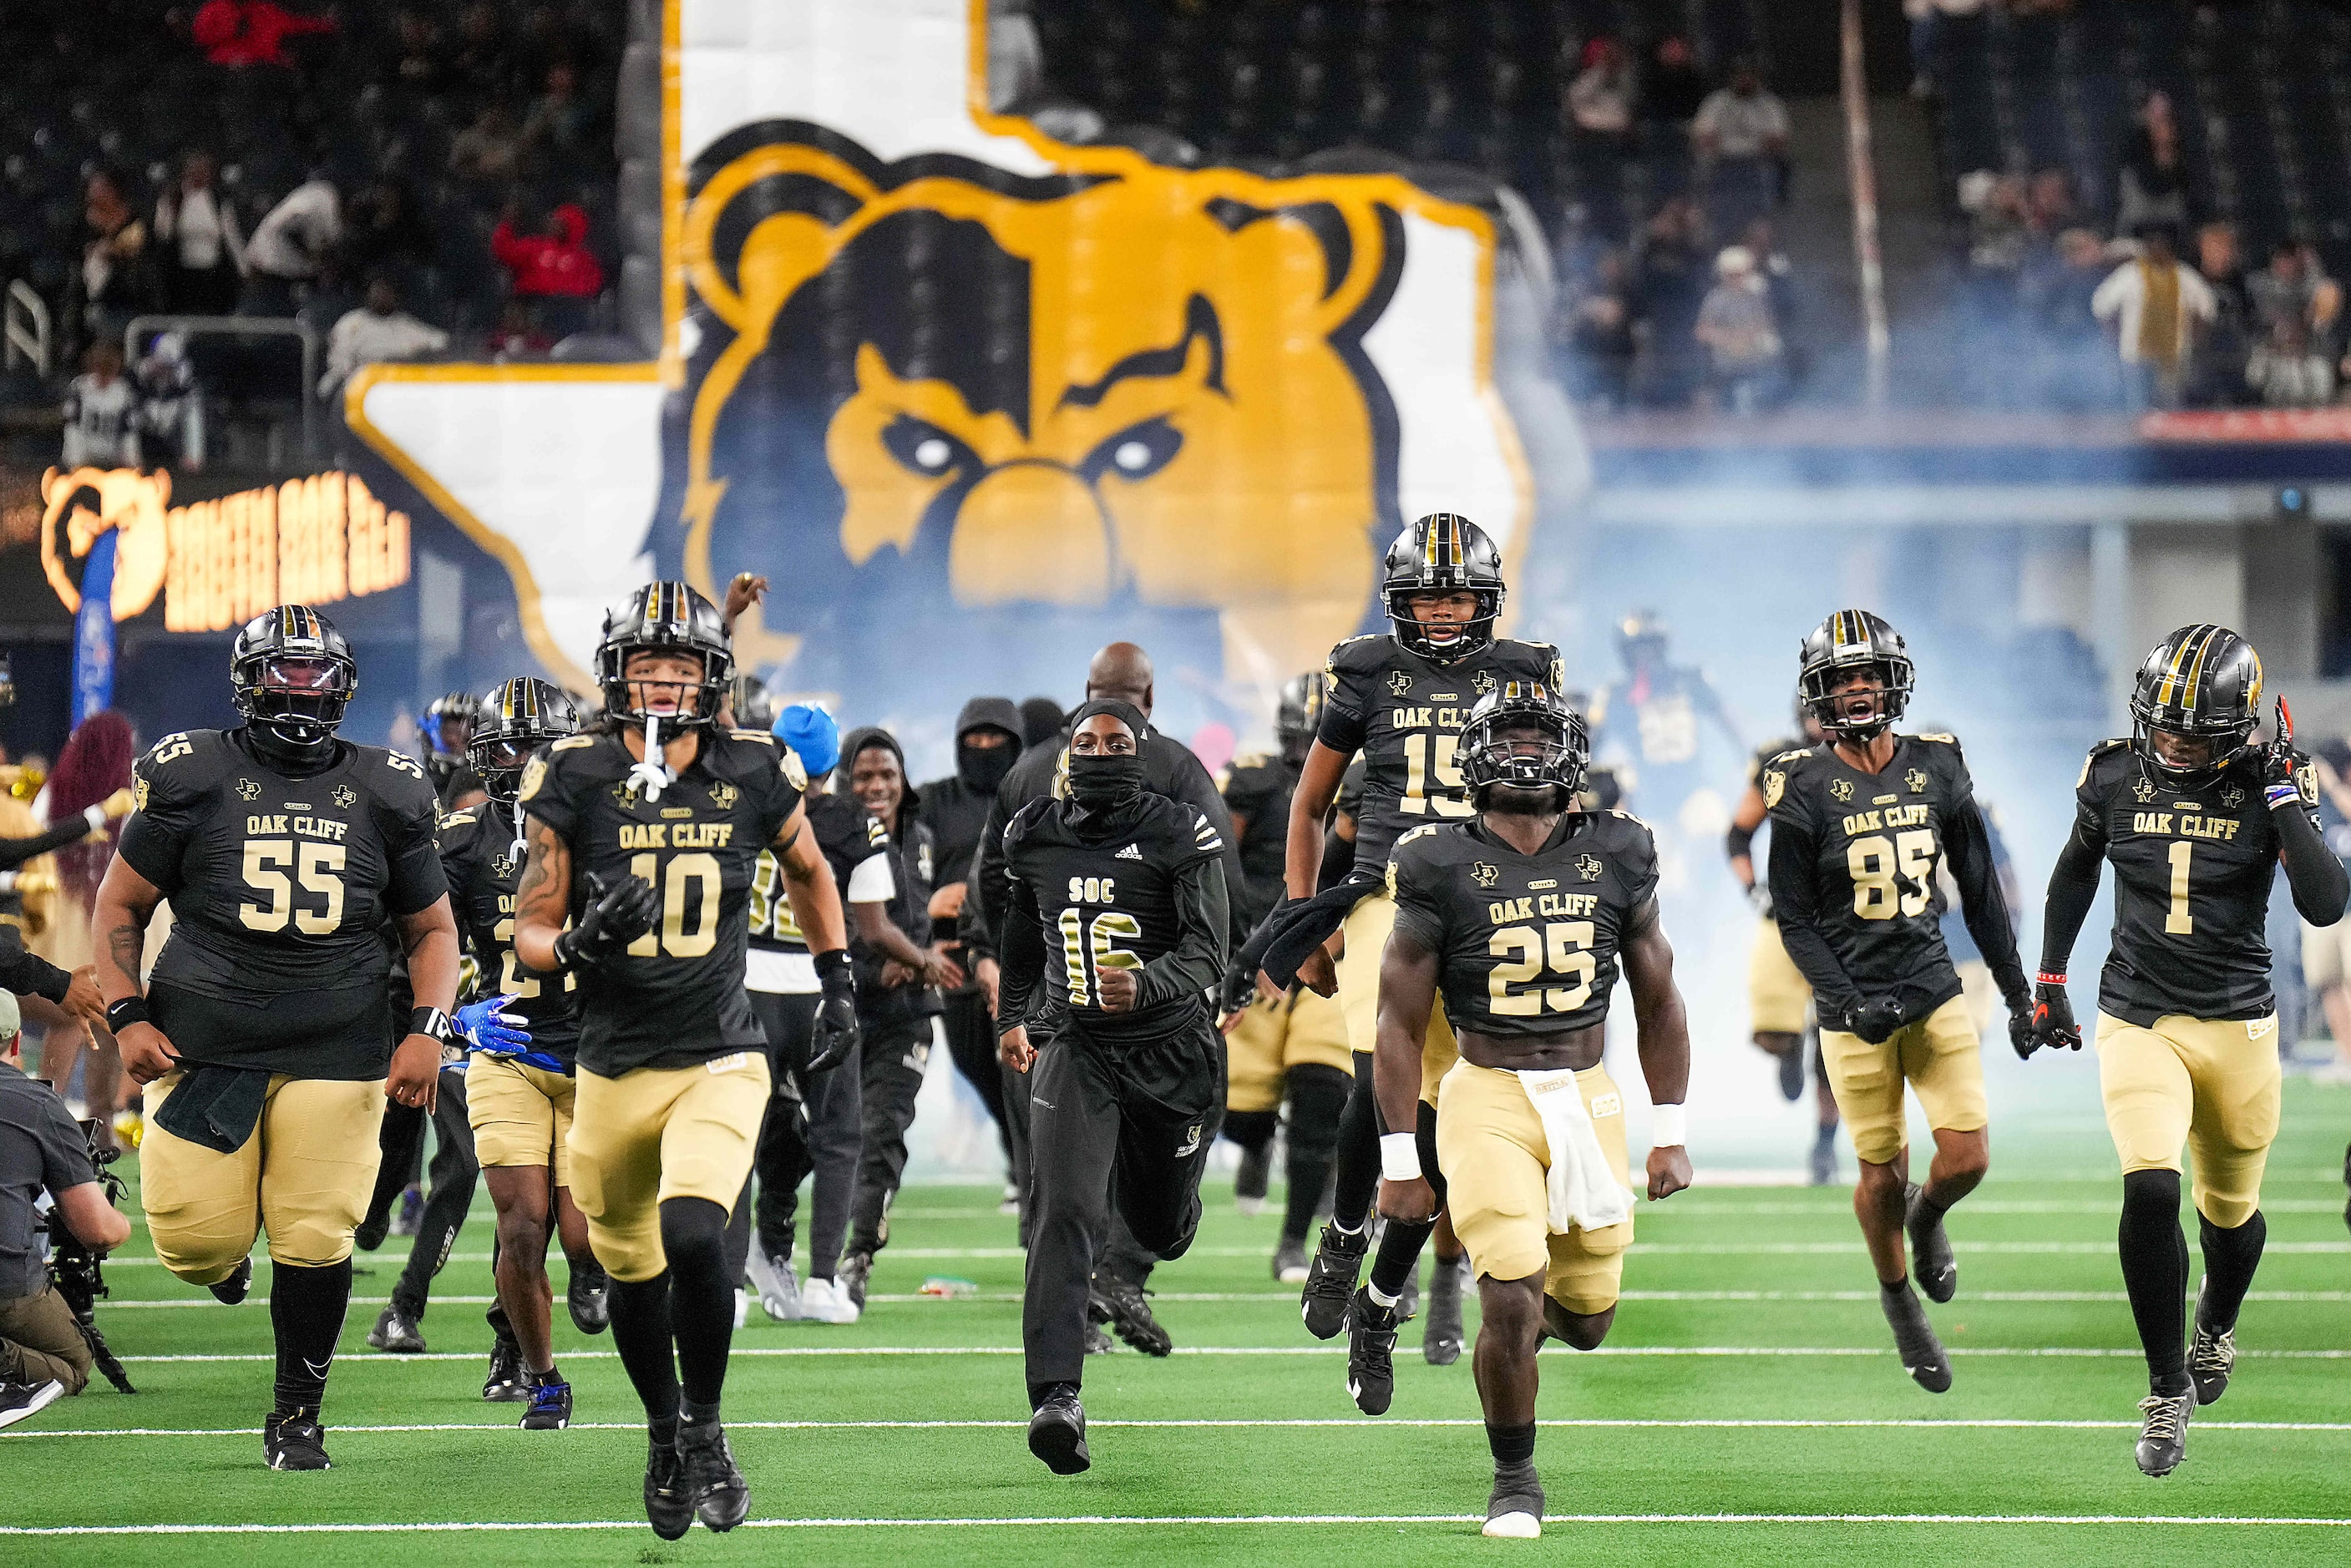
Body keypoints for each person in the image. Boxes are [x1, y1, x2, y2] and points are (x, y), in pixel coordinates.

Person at [512, 581, 855, 1538]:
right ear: (617, 676)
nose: (662, 689)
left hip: (719, 1054)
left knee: (700, 1237)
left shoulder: (750, 768)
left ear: (713, 679)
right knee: (631, 1273)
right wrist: (575, 948)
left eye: (681, 671)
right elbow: (530, 928)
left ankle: (705, 1428)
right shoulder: (572, 775)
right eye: (646, 671)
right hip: (612, 1064)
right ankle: (663, 1434)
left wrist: (838, 979)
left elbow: (810, 870)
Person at [92, 604, 460, 1470]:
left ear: (343, 686)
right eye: (282, 671)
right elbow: (120, 907)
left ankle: (297, 1412)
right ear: (246, 680)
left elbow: (434, 931)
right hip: (204, 1044)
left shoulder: (390, 787)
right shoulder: (192, 772)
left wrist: (427, 1030)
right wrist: (125, 1011)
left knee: (317, 1233)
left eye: (315, 673)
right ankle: (227, 1260)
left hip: (339, 1044)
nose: (299, 688)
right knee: (192, 1244)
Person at [1375, 682, 1692, 1535]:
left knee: (1585, 1322)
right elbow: (1398, 1023)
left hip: (1588, 1096)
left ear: (1571, 752)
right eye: (1506, 737)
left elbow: (1658, 998)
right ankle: (1514, 1478)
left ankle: (1501, 1353)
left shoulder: (1620, 850)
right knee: (1511, 1295)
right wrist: (1402, 1160)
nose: (1522, 751)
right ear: (1475, 756)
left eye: (1535, 735)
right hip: (1485, 1095)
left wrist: (1670, 1132)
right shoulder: (1437, 860)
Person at [2029, 626, 2347, 1477]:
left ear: (2236, 727)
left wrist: (2282, 799)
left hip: (2238, 1024)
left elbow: (2324, 904)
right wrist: (2050, 976)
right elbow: (2074, 870)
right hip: (2140, 1015)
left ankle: (2214, 1325)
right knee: (2148, 1184)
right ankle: (2166, 1388)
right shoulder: (2110, 773)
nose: (2168, 742)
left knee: (2228, 1218)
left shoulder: (2271, 779)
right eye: (2159, 725)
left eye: (2188, 730)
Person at [1277, 512, 1563, 1411]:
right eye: (1427, 597)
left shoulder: (1524, 670)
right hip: (1385, 894)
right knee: (1378, 1072)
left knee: (1444, 1116)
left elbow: (1552, 798)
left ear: (1485, 599)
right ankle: (1344, 1229)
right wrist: (1305, 922)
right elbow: (1310, 803)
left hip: (1482, 904)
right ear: (1401, 602)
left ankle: (1380, 1301)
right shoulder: (1364, 669)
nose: (1441, 613)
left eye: (1455, 596)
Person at [1764, 610, 2032, 1394]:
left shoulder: (1939, 764)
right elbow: (1795, 917)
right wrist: (1846, 1001)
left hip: (1930, 982)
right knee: (1880, 1174)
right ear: (1818, 691)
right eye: (1841, 678)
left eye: (1867, 675)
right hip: (1854, 1009)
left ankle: (1927, 1219)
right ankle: (1899, 1304)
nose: (1855, 689)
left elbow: (1979, 891)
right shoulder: (1800, 782)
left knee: (1966, 1158)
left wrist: (2018, 995)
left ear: (1893, 681)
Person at [965, 642, 1243, 1351]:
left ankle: (1095, 1282)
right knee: (1068, 1182)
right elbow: (1224, 892)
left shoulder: (1032, 769)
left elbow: (988, 883)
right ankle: (1084, 1310)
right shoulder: (1177, 765)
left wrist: (990, 960)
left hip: (1106, 1006)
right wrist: (1230, 973)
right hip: (1087, 1023)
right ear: (1150, 699)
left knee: (1071, 1185)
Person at [997, 698, 1230, 1474]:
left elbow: (1208, 952)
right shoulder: (1032, 833)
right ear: (1067, 752)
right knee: (1060, 1208)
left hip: (1168, 1050)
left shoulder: (1177, 829)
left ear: (1140, 750)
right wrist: (1013, 1018)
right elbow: (1022, 937)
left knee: (1160, 1227)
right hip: (1079, 1047)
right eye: (1087, 741)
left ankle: (1168, 1216)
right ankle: (1056, 1395)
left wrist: (1150, 981)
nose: (1101, 752)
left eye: (1117, 741)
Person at [426, 677, 605, 1430]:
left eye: (540, 747)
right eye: (509, 747)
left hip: (599, 1055)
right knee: (522, 1225)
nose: (525, 761)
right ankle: (544, 1377)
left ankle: (593, 1273)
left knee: (580, 1234)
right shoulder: (462, 842)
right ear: (483, 756)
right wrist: (452, 1019)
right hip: (507, 1053)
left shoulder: (613, 828)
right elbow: (414, 940)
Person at [737, 704, 877, 1326]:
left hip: (743, 986)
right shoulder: (851, 821)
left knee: (732, 1135)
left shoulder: (742, 801)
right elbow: (873, 916)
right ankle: (822, 1279)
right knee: (838, 1135)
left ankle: (728, 1285)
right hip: (820, 986)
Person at [1216, 673, 1353, 1285]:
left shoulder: (1366, 785)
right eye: (1302, 744)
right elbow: (1214, 859)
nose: (1309, 757)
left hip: (1330, 954)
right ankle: (1259, 1143)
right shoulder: (1254, 780)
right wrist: (1233, 952)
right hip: (1258, 949)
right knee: (1234, 1108)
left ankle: (1294, 1241)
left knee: (1322, 1091)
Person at [834, 726, 960, 1311]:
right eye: (863, 776)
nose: (877, 786)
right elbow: (818, 928)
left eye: (887, 774)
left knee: (881, 1132)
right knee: (804, 1137)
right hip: (834, 1009)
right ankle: (773, 1251)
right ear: (844, 781)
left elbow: (913, 923)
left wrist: (926, 955)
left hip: (906, 1015)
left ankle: (856, 1257)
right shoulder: (823, 838)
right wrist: (875, 969)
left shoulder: (921, 836)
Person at [914, 697, 1026, 1212]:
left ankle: (1030, 1175)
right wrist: (930, 902)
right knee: (973, 1063)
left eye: (995, 742)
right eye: (973, 742)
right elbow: (899, 869)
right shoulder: (933, 801)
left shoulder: (1035, 797)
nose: (984, 750)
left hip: (1020, 955)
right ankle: (1017, 1150)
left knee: (1022, 1070)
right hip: (954, 956)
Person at [0, 990, 132, 1426]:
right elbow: (99, 1230)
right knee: (72, 1365)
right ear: (17, 1043)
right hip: (7, 1285)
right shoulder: (36, 1104)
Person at [1728, 701, 1842, 1183]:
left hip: (1845, 916)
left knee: (1835, 1049)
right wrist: (1754, 889)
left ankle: (1824, 1145)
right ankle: (1791, 1046)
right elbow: (1737, 835)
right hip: (1788, 912)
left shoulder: (1874, 762)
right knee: (1773, 1027)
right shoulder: (1780, 762)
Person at [1591, 610, 1741, 842]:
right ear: (1626, 653)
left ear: (1662, 647)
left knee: (1713, 833)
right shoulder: (1615, 695)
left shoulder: (1690, 680)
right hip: (1648, 799)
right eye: (1637, 649)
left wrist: (1746, 762)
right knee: (1658, 864)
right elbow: (1592, 743)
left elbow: (1727, 720)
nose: (1645, 655)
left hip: (1693, 789)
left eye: (1650, 647)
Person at [2091, 228, 2217, 412]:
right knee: (2138, 407)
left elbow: (2207, 310)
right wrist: (2115, 337)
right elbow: (2102, 306)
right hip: (2136, 354)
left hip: (2173, 355)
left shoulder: (2183, 276)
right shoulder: (2130, 274)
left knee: (2171, 406)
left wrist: (2193, 340)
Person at [318, 276, 449, 400]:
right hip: (354, 382)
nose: (382, 296)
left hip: (393, 384)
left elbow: (440, 340)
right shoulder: (352, 323)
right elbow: (340, 363)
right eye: (378, 292)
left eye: (387, 293)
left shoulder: (404, 324)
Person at [1694, 245, 1785, 415]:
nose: (1739, 278)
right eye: (1734, 274)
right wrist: (1729, 340)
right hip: (1726, 358)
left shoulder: (1756, 296)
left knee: (1774, 348)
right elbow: (1702, 331)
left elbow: (1766, 323)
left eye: (1743, 273)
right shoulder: (1716, 299)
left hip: (1754, 356)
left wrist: (1747, 337)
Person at [153, 152, 245, 316]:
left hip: (213, 275)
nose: (203, 175)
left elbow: (232, 237)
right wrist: (172, 212)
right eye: (198, 170)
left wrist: (244, 269)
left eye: (207, 171)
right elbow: (162, 235)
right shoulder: (173, 198)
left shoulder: (218, 200)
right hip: (181, 275)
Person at [241, 176, 340, 317]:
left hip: (290, 273)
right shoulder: (319, 200)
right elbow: (287, 225)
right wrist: (306, 251)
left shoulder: (320, 200)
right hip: (274, 272)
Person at [61, 343, 142, 471]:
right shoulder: (80, 388)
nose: (104, 377)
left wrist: (133, 462)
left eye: (109, 371)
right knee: (72, 432)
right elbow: (72, 425)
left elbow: (129, 431)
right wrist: (75, 461)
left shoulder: (124, 392)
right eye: (100, 369)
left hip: (112, 454)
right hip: (84, 452)